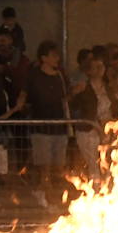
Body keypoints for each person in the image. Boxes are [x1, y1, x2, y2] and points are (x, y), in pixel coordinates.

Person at [6, 40, 70, 208]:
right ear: (44, 57)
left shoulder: (60, 75)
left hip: (59, 126)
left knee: (58, 167)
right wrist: (20, 103)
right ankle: (45, 198)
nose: (57, 58)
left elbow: (65, 99)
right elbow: (24, 93)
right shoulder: (34, 74)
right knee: (44, 167)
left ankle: (55, 199)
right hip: (41, 127)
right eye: (53, 55)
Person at [70, 53, 113, 180]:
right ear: (89, 71)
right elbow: (72, 104)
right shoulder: (83, 88)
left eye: (101, 66)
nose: (100, 69)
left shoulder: (108, 87)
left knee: (107, 162)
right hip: (89, 131)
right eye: (96, 67)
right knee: (93, 163)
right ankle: (95, 189)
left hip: (107, 129)